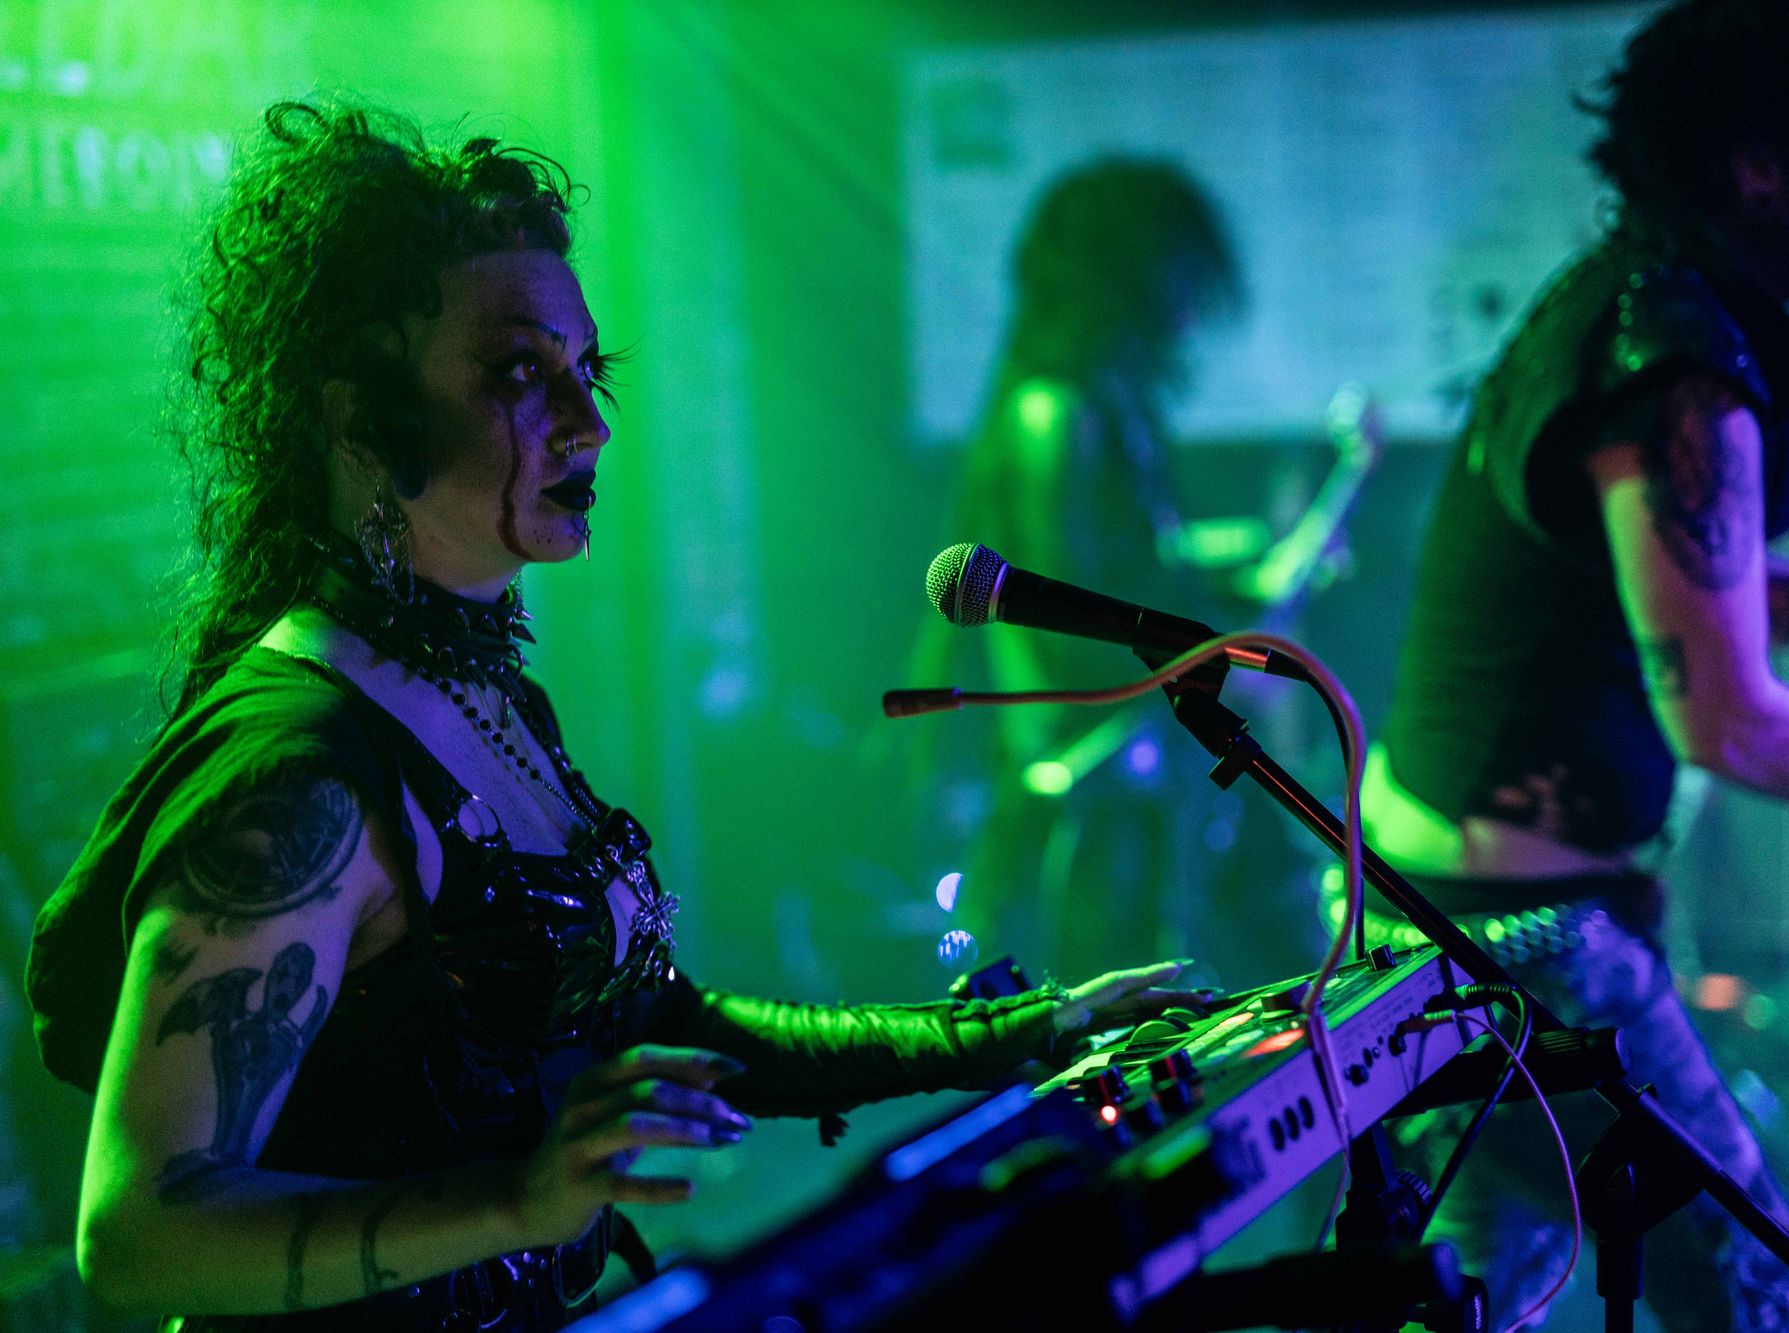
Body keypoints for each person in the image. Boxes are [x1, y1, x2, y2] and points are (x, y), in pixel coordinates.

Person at [23, 101, 1197, 1331]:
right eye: (518, 373)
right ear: (358, 419)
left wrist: (1025, 1029)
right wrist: (515, 1202)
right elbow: (136, 1237)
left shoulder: (474, 685)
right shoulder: (298, 778)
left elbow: (670, 1024)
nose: (587, 422)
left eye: (588, 371)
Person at [1366, 1, 1789, 1327]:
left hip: (1443, 923)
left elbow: (1702, 602)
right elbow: (1728, 716)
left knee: (1467, 1297)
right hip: (1527, 950)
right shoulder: (1676, 363)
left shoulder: (1625, 303)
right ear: (1758, 164)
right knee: (1772, 1308)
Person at [934, 158, 1369, 984]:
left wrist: (1227, 566)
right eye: (1179, 280)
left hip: (1146, 799)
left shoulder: (1104, 405)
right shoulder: (1053, 413)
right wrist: (1226, 635)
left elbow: (1128, 562)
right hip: (1096, 823)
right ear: (1128, 277)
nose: (1191, 311)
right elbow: (1071, 628)